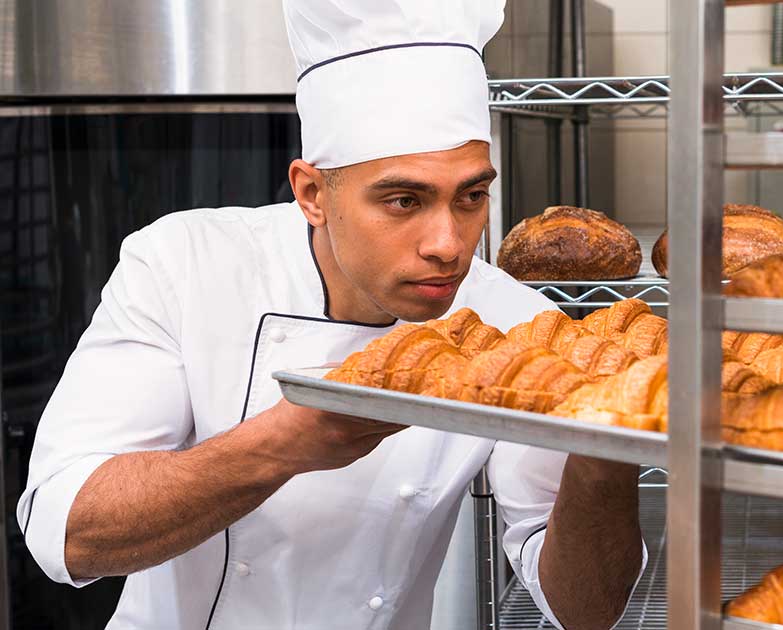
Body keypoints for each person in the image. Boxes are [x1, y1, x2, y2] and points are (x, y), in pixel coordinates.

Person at [16, 1, 645, 628]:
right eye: (404, 201)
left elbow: (585, 614)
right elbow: (65, 533)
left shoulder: (515, 325)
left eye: (471, 196)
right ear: (312, 194)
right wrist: (284, 443)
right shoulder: (185, 264)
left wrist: (604, 452)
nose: (449, 245)